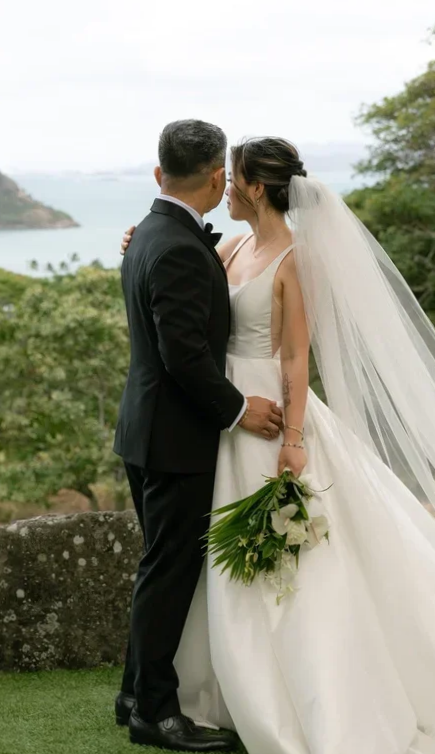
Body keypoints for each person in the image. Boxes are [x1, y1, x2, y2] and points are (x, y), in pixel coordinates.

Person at [120, 135, 435, 754]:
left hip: (267, 416)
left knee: (295, 567)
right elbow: (182, 283)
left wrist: (294, 438)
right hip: (221, 417)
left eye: (234, 177)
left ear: (254, 188)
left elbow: (296, 356)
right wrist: (141, 245)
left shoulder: (296, 260)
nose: (225, 186)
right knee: (204, 559)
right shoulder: (232, 245)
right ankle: (198, 687)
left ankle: (294, 687)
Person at [114, 119, 284, 752]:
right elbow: (183, 356)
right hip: (176, 438)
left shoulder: (148, 234)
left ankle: (133, 694)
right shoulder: (178, 246)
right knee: (169, 572)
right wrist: (239, 410)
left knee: (158, 566)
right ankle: (156, 713)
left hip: (145, 429)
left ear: (160, 174)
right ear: (216, 178)